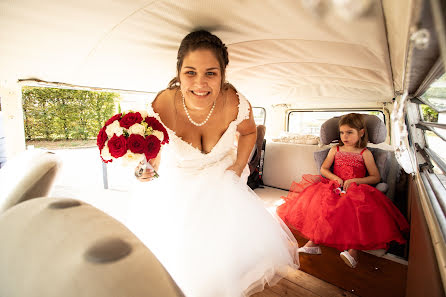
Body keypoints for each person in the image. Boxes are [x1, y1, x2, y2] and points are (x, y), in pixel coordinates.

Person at [126, 30, 298, 297]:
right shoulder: (161, 104)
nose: (200, 83)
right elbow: (153, 149)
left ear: (223, 74)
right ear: (179, 72)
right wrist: (144, 168)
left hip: (224, 182)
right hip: (179, 187)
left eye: (211, 73)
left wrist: (240, 165)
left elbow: (249, 132)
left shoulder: (236, 103)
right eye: (190, 72)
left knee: (229, 258)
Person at [276, 113, 409, 268]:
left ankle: (353, 252)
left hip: (355, 188)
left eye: (349, 132)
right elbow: (324, 169)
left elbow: (375, 177)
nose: (344, 136)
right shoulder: (335, 149)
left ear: (361, 132)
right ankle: (313, 243)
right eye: (342, 132)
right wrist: (335, 178)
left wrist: (355, 181)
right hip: (334, 186)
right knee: (324, 204)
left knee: (355, 210)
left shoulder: (364, 153)